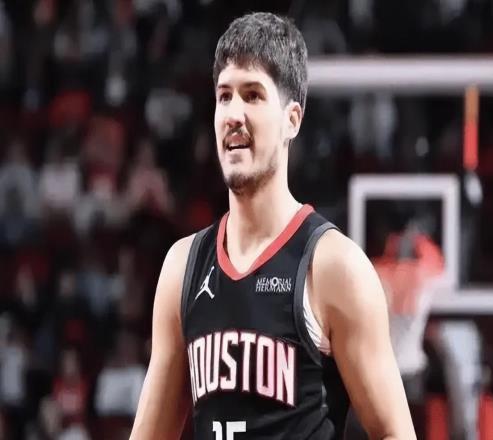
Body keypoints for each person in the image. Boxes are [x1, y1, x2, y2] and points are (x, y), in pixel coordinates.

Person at [130, 12, 415, 440]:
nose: (233, 113)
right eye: (224, 96)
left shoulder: (334, 266)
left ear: (292, 120)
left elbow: (395, 433)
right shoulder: (182, 267)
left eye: (252, 95)